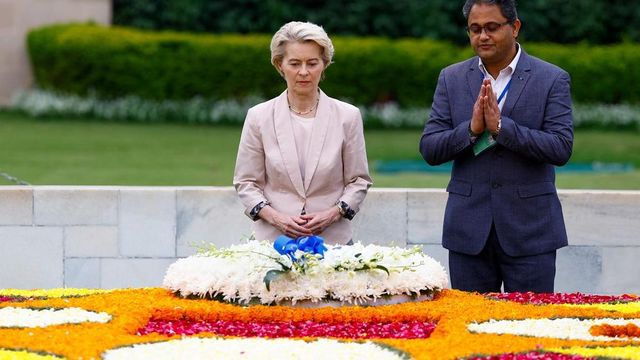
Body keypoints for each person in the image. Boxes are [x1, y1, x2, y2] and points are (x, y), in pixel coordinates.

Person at [419, 0, 573, 293]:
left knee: (530, 330)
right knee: (469, 329)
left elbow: (561, 147)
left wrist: (503, 129)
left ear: (514, 27)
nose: (483, 36)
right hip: (468, 233)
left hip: (530, 233)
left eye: (491, 27)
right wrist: (472, 129)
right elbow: (430, 147)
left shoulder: (551, 79)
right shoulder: (451, 78)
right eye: (475, 29)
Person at [233, 21, 372, 245]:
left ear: (324, 64)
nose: (304, 72)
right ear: (280, 65)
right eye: (295, 63)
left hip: (333, 243)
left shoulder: (348, 116)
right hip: (272, 242)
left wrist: (332, 214)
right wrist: (277, 219)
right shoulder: (258, 116)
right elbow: (246, 182)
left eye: (312, 63)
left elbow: (358, 180)